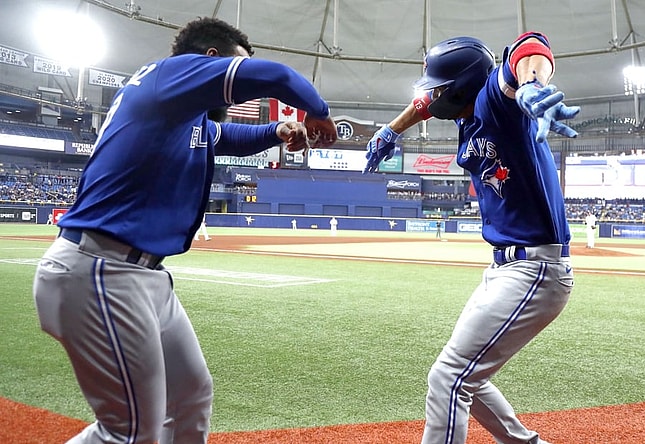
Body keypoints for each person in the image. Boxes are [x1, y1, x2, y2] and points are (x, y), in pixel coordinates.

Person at [31, 17, 337, 444]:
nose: (237, 86)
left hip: (141, 276)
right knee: (131, 433)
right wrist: (318, 114)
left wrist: (277, 130)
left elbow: (222, 135)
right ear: (208, 60)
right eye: (235, 67)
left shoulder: (180, 113)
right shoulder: (166, 75)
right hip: (101, 268)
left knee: (190, 396)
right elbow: (276, 75)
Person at [364, 32, 579, 444]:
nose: (430, 97)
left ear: (460, 86)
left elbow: (528, 47)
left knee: (449, 377)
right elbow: (423, 104)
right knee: (468, 375)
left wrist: (533, 84)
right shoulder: (464, 110)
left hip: (535, 269)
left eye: (439, 87)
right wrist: (391, 129)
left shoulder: (496, 103)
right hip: (507, 267)